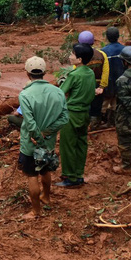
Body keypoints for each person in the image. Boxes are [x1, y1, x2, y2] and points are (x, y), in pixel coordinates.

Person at [18, 56, 69, 219]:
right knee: (45, 170)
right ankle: (46, 197)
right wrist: (46, 134)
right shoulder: (58, 91)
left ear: (27, 74)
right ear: (44, 72)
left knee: (32, 175)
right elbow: (64, 118)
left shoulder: (25, 94)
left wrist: (38, 138)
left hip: (30, 144)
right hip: (48, 142)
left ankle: (35, 211)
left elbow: (30, 123)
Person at [56, 44, 96, 187]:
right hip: (85, 113)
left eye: (72, 54)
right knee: (81, 144)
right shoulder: (90, 73)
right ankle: (79, 174)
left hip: (71, 114)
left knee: (67, 145)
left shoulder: (74, 75)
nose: (70, 56)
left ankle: (70, 178)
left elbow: (60, 93)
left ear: (79, 59)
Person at [78, 30, 109, 129]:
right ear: (93, 42)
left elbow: (76, 73)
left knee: (84, 105)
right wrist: (102, 86)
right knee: (96, 106)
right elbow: (106, 71)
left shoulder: (78, 56)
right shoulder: (102, 54)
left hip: (84, 86)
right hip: (98, 85)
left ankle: (84, 125)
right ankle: (95, 124)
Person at [100, 26, 125, 124]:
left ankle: (103, 119)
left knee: (106, 100)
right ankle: (113, 119)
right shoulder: (124, 49)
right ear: (118, 36)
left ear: (107, 37)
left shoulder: (104, 51)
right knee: (115, 100)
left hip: (108, 80)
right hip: (121, 79)